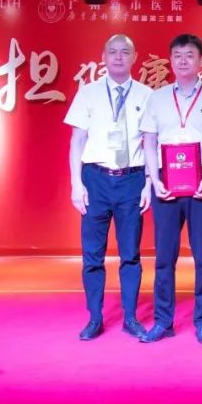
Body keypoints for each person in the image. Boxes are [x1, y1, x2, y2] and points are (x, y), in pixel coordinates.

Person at [140, 34, 202, 344]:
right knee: (164, 256)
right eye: (178, 55)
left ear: (201, 61)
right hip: (166, 180)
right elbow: (149, 141)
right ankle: (163, 321)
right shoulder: (157, 98)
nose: (183, 61)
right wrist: (154, 179)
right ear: (170, 60)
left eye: (190, 55)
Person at [63, 34, 153, 340]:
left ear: (134, 57)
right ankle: (94, 318)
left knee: (131, 254)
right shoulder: (87, 93)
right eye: (112, 52)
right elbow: (77, 141)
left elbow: (152, 144)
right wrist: (76, 183)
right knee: (92, 255)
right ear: (103, 56)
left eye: (124, 52)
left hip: (132, 180)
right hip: (96, 179)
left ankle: (130, 317)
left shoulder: (147, 95)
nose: (118, 57)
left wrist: (149, 183)